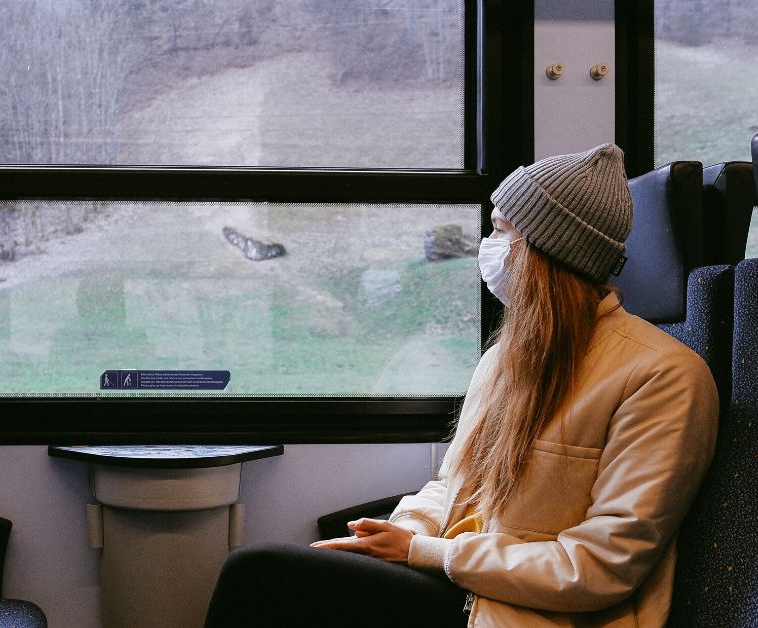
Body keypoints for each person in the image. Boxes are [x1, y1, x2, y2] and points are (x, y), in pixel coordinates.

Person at [204, 144, 719, 627]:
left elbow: (601, 564)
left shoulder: (663, 375)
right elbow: (453, 485)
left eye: (501, 232)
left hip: (536, 613)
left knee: (261, 573)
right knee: (284, 575)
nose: (488, 249)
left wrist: (425, 553)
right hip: (467, 587)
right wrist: (408, 530)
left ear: (544, 252)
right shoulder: (505, 359)